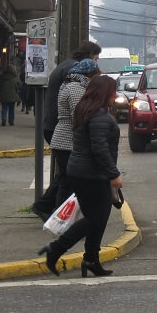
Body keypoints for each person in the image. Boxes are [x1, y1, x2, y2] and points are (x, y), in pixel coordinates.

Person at [38, 75, 122, 277]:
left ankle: (91, 259)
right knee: (95, 219)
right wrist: (114, 174)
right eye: (113, 91)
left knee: (99, 218)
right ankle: (55, 249)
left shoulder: (87, 111)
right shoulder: (98, 116)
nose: (116, 95)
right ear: (105, 93)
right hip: (90, 174)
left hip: (85, 172)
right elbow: (99, 149)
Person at [31, 42, 101, 221]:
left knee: (66, 175)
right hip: (63, 130)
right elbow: (76, 112)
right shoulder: (74, 77)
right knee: (69, 177)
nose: (97, 61)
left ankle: (45, 206)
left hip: (57, 127)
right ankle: (57, 213)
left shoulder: (67, 67)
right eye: (96, 57)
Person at [47, 59, 101, 212]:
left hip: (64, 141)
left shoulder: (73, 84)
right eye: (96, 73)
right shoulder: (76, 87)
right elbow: (79, 116)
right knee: (71, 183)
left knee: (66, 181)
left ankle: (58, 215)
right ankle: (62, 217)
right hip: (67, 142)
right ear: (89, 73)